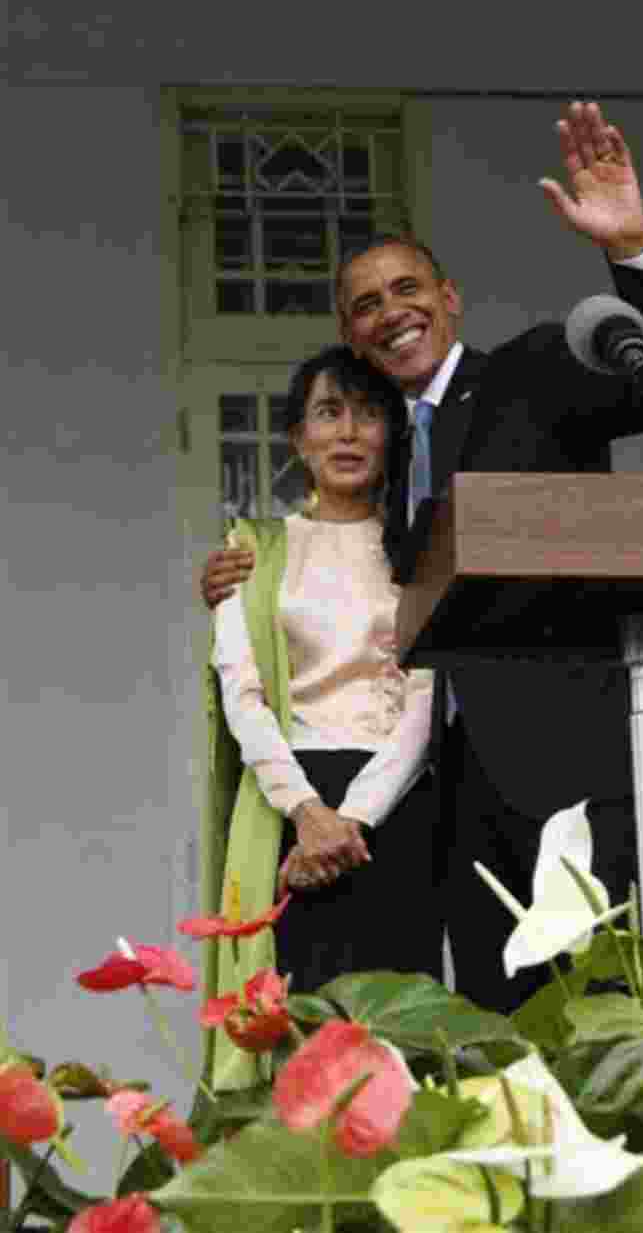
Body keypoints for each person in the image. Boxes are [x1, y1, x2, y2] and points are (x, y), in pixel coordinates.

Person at [202, 101, 643, 1014]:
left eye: (406, 290)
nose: (389, 314)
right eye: (365, 307)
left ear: (450, 299)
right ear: (353, 338)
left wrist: (632, 250)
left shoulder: (530, 375)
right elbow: (344, 573)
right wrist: (246, 575)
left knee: (616, 1038)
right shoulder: (381, 465)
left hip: (581, 764)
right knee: (500, 1056)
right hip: (454, 795)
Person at [204, 345, 442, 1089]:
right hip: (289, 810)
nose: (347, 433)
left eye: (367, 413)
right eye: (328, 413)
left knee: (398, 1049)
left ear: (392, 434)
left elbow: (426, 697)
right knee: (298, 1046)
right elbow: (242, 693)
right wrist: (308, 813)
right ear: (297, 439)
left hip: (396, 813)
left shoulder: (422, 551)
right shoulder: (254, 550)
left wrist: (354, 819)